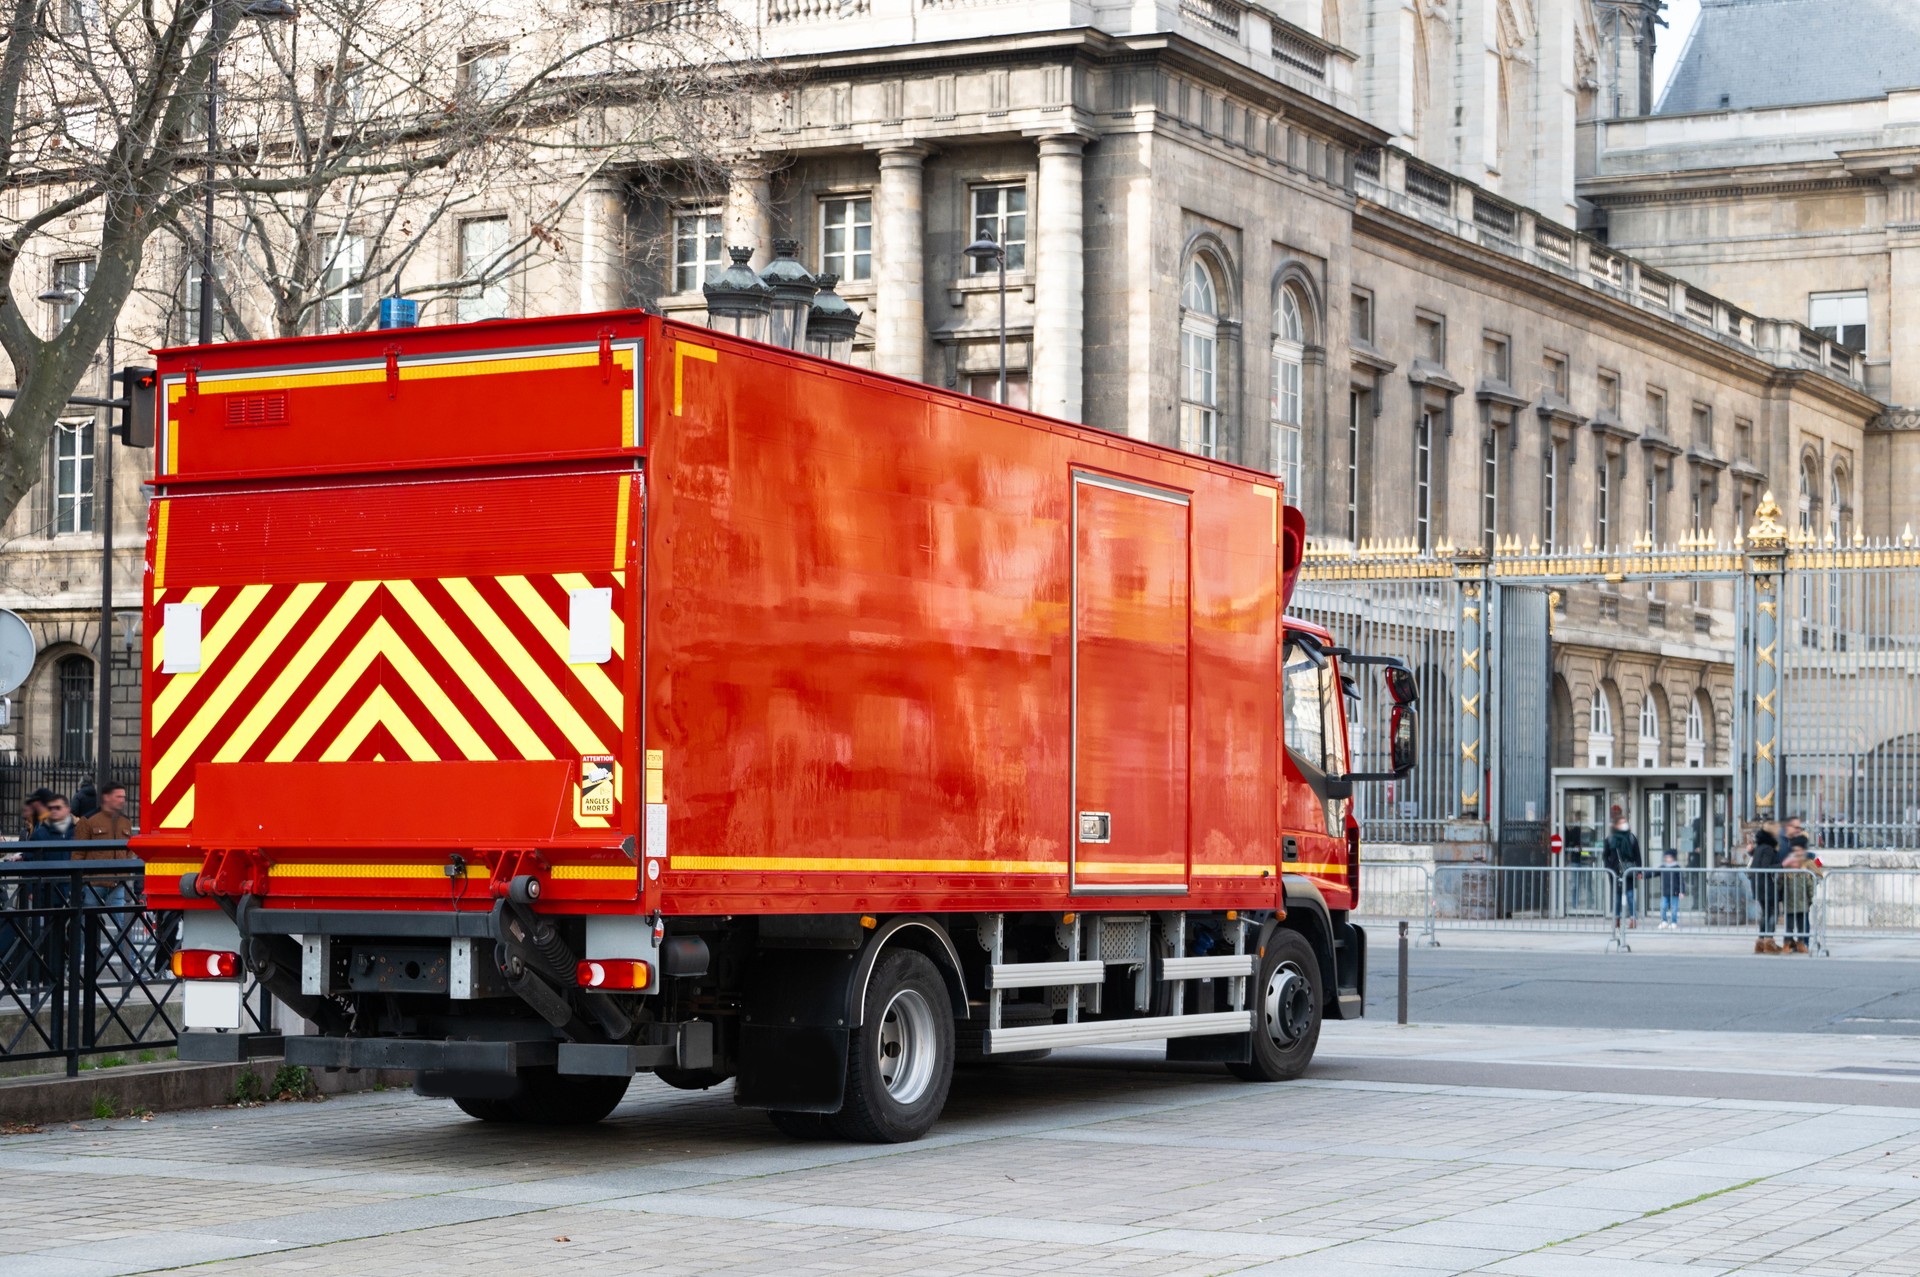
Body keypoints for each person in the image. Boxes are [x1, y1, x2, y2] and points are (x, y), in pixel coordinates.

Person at [73, 784, 136, 968]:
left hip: (117, 883)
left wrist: (125, 873)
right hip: (93, 883)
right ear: (106, 798)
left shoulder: (125, 821)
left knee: (123, 927)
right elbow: (78, 854)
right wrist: (80, 881)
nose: (122, 800)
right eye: (118, 796)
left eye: (123, 797)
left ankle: (131, 969)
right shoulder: (89, 819)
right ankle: (75, 968)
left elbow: (128, 851)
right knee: (85, 927)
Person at [1749, 823, 1784, 954]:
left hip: (1758, 884)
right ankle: (1769, 941)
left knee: (1766, 913)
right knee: (1773, 912)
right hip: (1766, 885)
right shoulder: (1768, 849)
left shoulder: (1760, 848)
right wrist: (1782, 865)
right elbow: (1766, 867)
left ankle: (1761, 941)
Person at [1603, 813, 1642, 929]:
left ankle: (1633, 919)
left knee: (1630, 895)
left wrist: (1639, 871)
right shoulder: (1610, 840)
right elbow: (1605, 856)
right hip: (1615, 873)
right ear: (1616, 825)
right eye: (1621, 823)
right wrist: (1610, 868)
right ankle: (1617, 919)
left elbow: (1637, 855)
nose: (1624, 824)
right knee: (1617, 897)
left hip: (1628, 871)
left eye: (1625, 822)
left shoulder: (1631, 838)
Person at [1781, 845, 1821, 955]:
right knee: (1789, 926)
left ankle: (1802, 943)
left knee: (1802, 925)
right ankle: (1787, 944)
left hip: (1803, 903)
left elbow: (1810, 886)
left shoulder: (1805, 872)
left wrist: (1810, 898)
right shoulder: (1786, 873)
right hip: (1790, 903)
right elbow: (1781, 886)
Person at [1659, 849, 1682, 929]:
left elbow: (1681, 880)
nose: (1667, 859)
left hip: (1675, 892)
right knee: (1663, 907)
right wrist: (1642, 875)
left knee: (1674, 908)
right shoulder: (1663, 867)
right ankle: (1664, 921)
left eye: (1669, 857)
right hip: (1665, 892)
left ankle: (1673, 922)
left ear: (1672, 858)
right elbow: (1654, 872)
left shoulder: (1677, 867)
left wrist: (1682, 891)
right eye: (1666, 857)